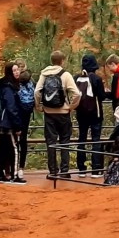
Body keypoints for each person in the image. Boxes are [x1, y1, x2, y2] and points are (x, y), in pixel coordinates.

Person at [34, 50, 79, 179]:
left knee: (51, 142)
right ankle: (64, 171)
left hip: (49, 114)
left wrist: (39, 106)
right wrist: (71, 107)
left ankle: (53, 172)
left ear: (51, 60)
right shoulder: (66, 75)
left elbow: (37, 92)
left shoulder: (44, 74)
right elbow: (77, 93)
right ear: (62, 61)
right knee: (65, 142)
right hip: (63, 114)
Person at [0, 63, 27, 183]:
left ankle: (0, 174)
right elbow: (11, 108)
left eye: (18, 70)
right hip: (8, 124)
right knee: (14, 148)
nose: (17, 72)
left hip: (2, 122)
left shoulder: (4, 85)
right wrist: (17, 126)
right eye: (14, 70)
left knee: (3, 148)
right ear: (9, 72)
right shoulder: (8, 87)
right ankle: (15, 174)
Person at [74, 52, 106, 174]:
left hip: (81, 114)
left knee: (81, 139)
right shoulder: (96, 79)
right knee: (95, 140)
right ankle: (95, 169)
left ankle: (81, 169)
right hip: (95, 114)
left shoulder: (76, 78)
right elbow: (101, 97)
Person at [14, 61, 36, 170]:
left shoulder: (14, 80)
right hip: (27, 111)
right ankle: (21, 166)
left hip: (16, 111)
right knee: (23, 138)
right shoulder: (31, 80)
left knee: (13, 138)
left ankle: (13, 164)